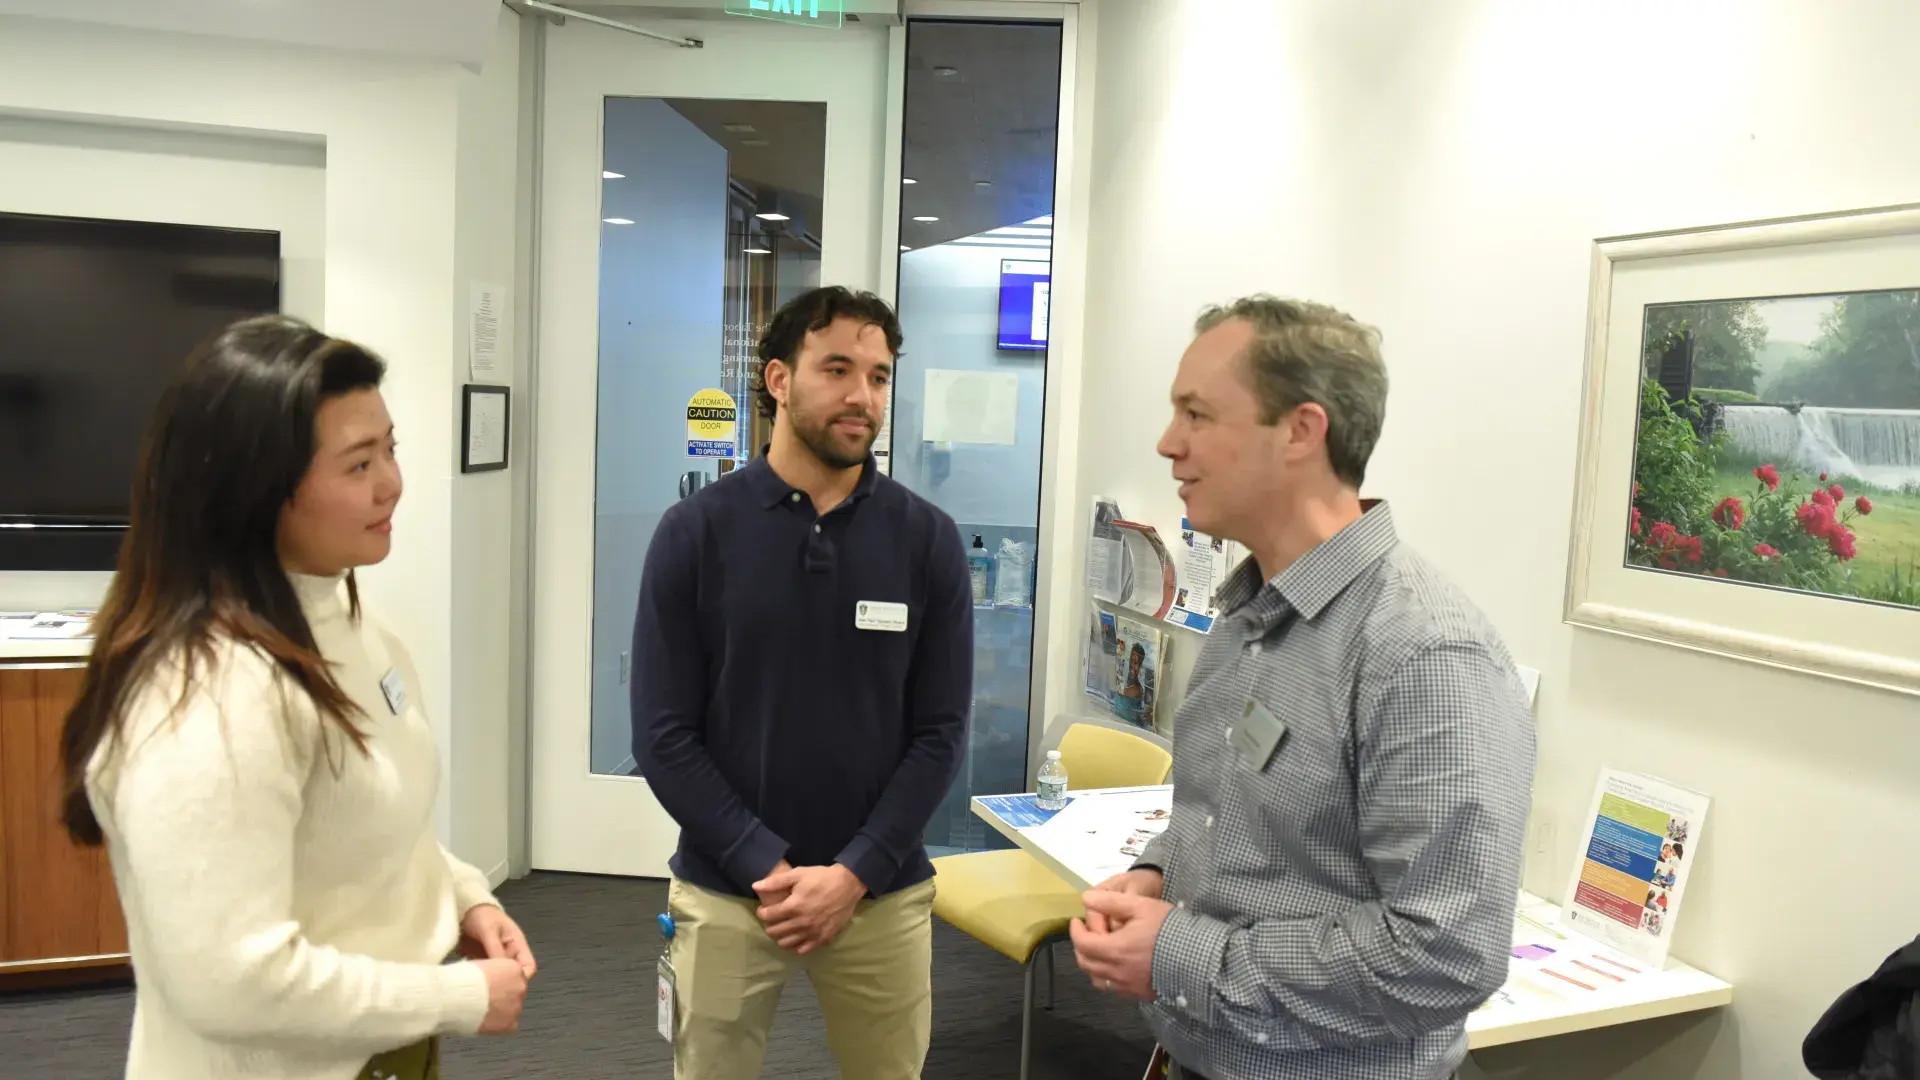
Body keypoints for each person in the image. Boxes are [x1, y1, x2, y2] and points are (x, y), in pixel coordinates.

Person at [1071, 296, 1536, 1080]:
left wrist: (1178, 951)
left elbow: (1447, 953)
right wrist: (1160, 870)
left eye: (1196, 414)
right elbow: (1248, 820)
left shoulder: (1424, 653)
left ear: (1300, 431)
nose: (1167, 444)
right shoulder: (1250, 613)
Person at [60, 316, 536, 1080]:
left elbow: (359, 820)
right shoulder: (211, 698)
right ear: (256, 493)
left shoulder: (335, 611)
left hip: (376, 1049)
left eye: (391, 448)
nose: (393, 483)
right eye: (357, 465)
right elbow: (231, 981)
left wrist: (461, 895)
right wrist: (454, 996)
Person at [632, 286, 972, 1080]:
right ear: (779, 380)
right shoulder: (696, 533)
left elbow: (940, 733)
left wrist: (854, 873)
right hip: (727, 892)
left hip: (881, 894)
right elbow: (662, 732)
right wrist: (762, 862)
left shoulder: (927, 541)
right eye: (839, 369)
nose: (863, 396)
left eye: (880, 376)